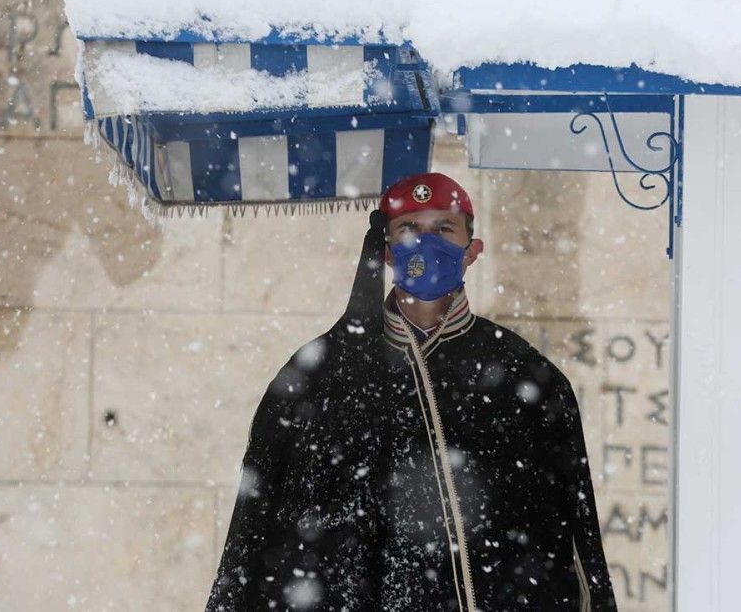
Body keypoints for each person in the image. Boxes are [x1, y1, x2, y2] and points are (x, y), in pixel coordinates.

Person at [206, 172, 618, 611]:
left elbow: (575, 532)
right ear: (385, 251)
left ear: (472, 251)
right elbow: (255, 525)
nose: (427, 243)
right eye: (409, 229)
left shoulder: (524, 375)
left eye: (444, 229)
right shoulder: (320, 374)